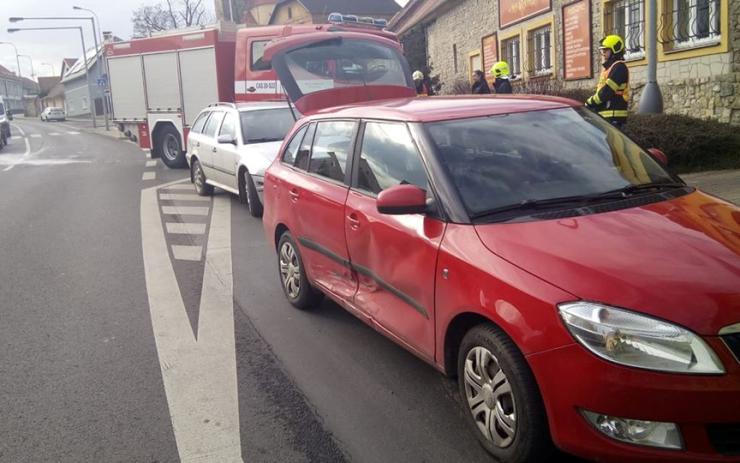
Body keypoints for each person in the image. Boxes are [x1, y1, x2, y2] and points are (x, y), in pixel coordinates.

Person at [586, 35, 630, 128]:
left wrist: (590, 102)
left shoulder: (619, 67)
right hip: (607, 118)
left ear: (615, 50)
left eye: (606, 50)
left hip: (614, 119)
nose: (603, 53)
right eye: (602, 51)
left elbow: (607, 92)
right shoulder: (610, 68)